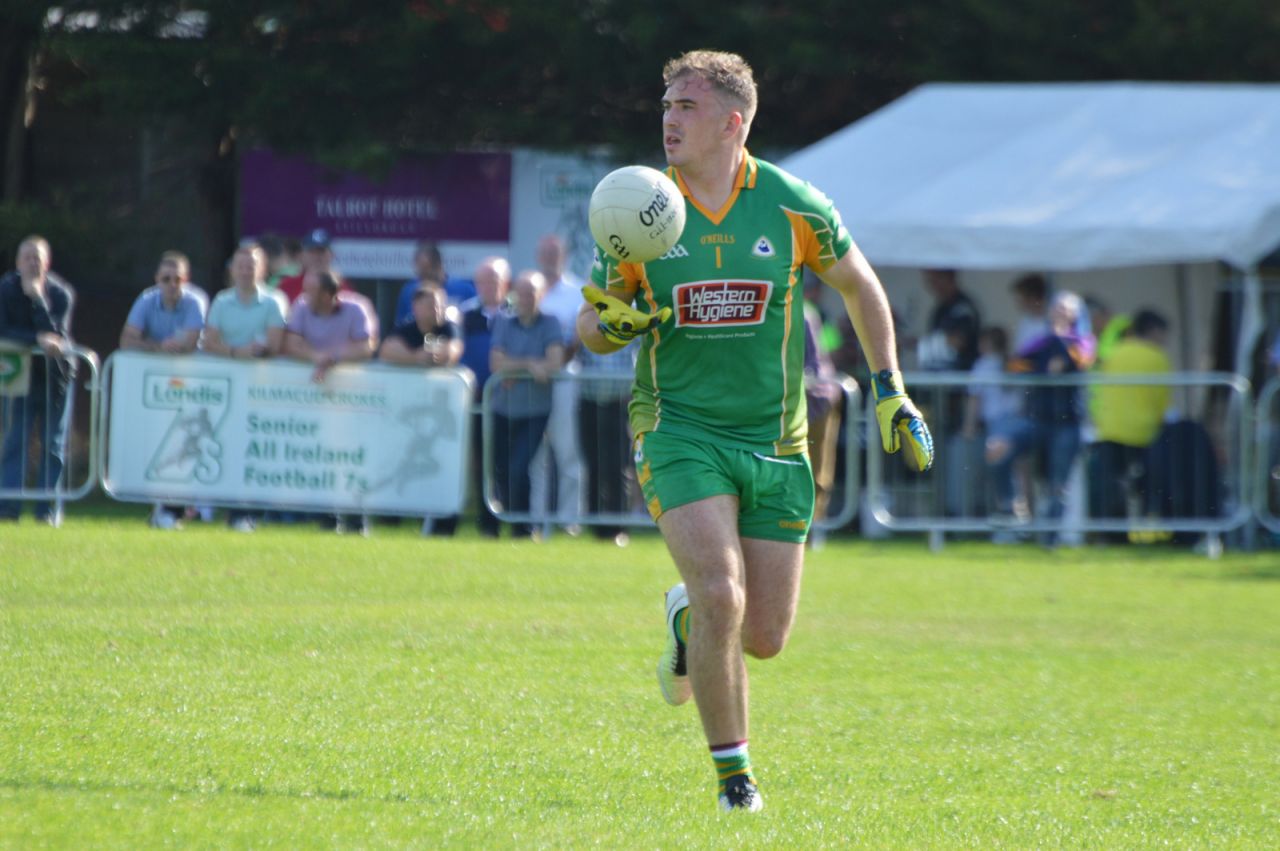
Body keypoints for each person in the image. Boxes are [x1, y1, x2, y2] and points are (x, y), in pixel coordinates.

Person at [576, 50, 933, 813]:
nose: (669, 120)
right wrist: (611, 324)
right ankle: (736, 781)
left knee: (763, 635)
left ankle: (686, 620)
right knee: (721, 591)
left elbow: (862, 285)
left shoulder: (791, 203)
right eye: (667, 105)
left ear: (734, 122)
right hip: (678, 429)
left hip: (777, 442)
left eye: (687, 107)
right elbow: (593, 325)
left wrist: (890, 389)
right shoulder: (640, 204)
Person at [987, 291, 1095, 545]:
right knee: (998, 451)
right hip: (1037, 420)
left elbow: (1078, 360)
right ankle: (1010, 510)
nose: (1059, 312)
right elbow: (1015, 365)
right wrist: (1044, 367)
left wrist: (1059, 344)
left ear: (1076, 315)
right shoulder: (1042, 342)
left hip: (1068, 423)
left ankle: (1049, 540)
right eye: (1056, 307)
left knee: (1058, 484)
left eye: (1065, 308)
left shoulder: (1084, 341)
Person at [119, 250, 208, 530]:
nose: (171, 284)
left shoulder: (196, 300)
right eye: (166, 279)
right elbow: (126, 340)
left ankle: (177, 510)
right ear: (157, 279)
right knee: (157, 446)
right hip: (158, 389)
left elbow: (191, 343)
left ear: (186, 279)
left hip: (193, 388)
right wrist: (158, 347)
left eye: (177, 279)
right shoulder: (147, 300)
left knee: (184, 447)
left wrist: (159, 346)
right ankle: (163, 509)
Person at [201, 242, 286, 532]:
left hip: (264, 391)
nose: (246, 270)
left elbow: (275, 344)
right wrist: (238, 353)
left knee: (257, 452)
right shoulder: (222, 302)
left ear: (262, 269)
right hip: (226, 391)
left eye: (252, 264)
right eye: (241, 264)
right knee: (228, 448)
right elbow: (209, 342)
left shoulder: (275, 301)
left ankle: (251, 512)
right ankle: (232, 511)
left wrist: (256, 352)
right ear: (232, 270)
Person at [284, 270, 376, 535]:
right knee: (321, 455)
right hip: (316, 397)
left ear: (328, 295)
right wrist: (319, 358)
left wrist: (332, 357)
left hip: (352, 398)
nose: (304, 295)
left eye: (311, 290)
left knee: (353, 457)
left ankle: (358, 519)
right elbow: (292, 343)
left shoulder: (357, 308)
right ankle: (328, 517)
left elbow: (365, 347)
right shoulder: (301, 307)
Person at [0, 236, 76, 525]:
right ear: (18, 262)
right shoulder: (5, 289)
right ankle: (8, 509)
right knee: (15, 441)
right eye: (27, 257)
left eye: (38, 258)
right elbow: (3, 330)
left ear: (48, 263)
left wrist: (37, 298)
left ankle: (47, 512)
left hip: (56, 378)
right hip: (20, 377)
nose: (33, 263)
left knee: (53, 445)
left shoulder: (60, 293)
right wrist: (35, 340)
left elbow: (58, 336)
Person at [379, 281, 465, 535]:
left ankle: (443, 524)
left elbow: (454, 350)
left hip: (441, 419)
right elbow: (387, 350)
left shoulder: (449, 327)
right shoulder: (405, 329)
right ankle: (393, 517)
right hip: (409, 417)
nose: (436, 310)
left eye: (439, 305)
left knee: (442, 467)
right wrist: (416, 358)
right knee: (401, 462)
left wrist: (440, 355)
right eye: (430, 305)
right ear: (416, 307)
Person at [490, 270, 564, 539]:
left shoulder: (550, 322)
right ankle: (500, 525)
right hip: (503, 408)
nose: (525, 298)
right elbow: (496, 363)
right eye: (521, 292)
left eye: (531, 292)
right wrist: (531, 365)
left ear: (541, 295)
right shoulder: (503, 321)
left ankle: (522, 527)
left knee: (520, 467)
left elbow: (554, 362)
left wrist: (515, 368)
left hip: (536, 410)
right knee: (500, 468)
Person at [1088, 309, 1172, 529]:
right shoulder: (1157, 357)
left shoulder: (1114, 353)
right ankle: (1149, 526)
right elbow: (1161, 400)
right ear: (1153, 331)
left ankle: (1110, 532)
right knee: (1146, 486)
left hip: (1110, 429)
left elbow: (1098, 389)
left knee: (1111, 487)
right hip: (1144, 432)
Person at [529, 233, 585, 535]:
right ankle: (536, 520)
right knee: (536, 453)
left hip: (565, 379)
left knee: (568, 450)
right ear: (538, 255)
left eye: (555, 252)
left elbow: (579, 338)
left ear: (563, 256)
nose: (550, 257)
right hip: (531, 380)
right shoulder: (526, 290)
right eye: (545, 252)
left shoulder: (578, 292)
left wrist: (554, 362)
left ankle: (568, 521)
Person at [458, 256, 512, 537]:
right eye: (483, 281)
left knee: (508, 461)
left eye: (494, 280)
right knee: (480, 462)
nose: (488, 286)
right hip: (476, 401)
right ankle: (486, 523)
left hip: (512, 400)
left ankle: (515, 521)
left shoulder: (517, 312)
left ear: (505, 283)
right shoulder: (464, 315)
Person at [393, 240, 476, 323]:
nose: (423, 278)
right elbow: (401, 326)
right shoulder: (409, 291)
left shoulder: (465, 290)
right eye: (419, 273)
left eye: (426, 271)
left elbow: (478, 327)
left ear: (439, 265)